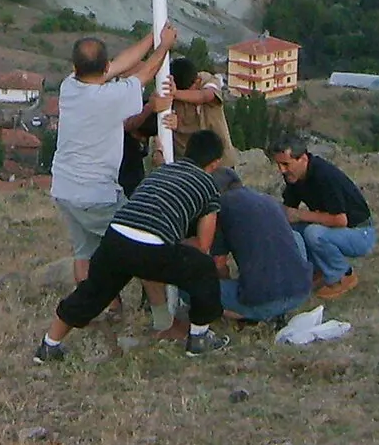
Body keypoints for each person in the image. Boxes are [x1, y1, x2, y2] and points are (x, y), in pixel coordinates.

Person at [36, 128, 232, 361]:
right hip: (152, 248)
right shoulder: (208, 186)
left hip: (116, 236)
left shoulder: (163, 170)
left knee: (93, 292)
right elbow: (203, 244)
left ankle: (49, 345)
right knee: (203, 268)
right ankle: (199, 338)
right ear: (216, 162)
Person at [50, 22, 177, 283]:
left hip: (64, 189)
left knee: (84, 253)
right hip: (96, 194)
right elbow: (148, 71)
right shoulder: (111, 97)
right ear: (105, 66)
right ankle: (161, 316)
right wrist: (164, 45)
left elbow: (123, 63)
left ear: (75, 68)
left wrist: (153, 36)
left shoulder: (69, 87)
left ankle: (88, 311)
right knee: (141, 242)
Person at [205, 163, 313, 325]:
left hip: (264, 301)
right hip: (301, 292)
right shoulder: (267, 200)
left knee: (191, 289)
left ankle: (250, 315)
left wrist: (225, 284)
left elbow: (219, 263)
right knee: (295, 236)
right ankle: (277, 308)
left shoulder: (221, 206)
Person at [266, 137, 374, 298]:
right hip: (335, 229)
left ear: (302, 158)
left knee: (313, 233)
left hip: (359, 232)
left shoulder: (324, 176)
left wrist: (301, 215)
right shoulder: (293, 177)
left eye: (286, 164)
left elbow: (340, 220)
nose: (282, 170)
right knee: (291, 230)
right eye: (279, 165)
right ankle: (316, 271)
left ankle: (343, 276)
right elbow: (289, 209)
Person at [167, 56, 231, 166]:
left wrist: (176, 94)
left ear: (197, 81)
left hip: (219, 161)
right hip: (188, 163)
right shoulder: (168, 95)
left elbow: (206, 96)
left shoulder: (207, 79)